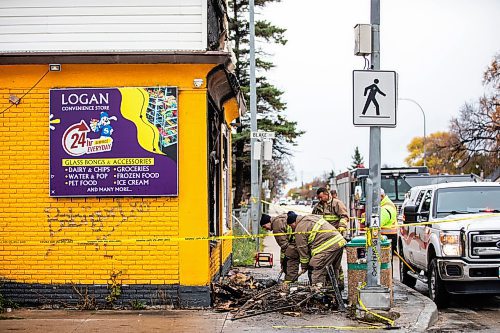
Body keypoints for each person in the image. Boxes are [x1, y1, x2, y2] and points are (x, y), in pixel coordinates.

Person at [287, 212, 346, 288]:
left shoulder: (299, 228)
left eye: (290, 226)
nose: (291, 228)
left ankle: (318, 292)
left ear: (294, 222)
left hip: (328, 246)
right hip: (339, 242)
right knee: (334, 267)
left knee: (316, 265)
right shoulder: (311, 217)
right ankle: (335, 287)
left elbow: (302, 249)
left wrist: (304, 266)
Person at [260, 212, 299, 282]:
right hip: (297, 240)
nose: (266, 229)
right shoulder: (280, 219)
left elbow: (284, 246)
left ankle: (290, 285)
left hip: (296, 243)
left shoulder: (276, 226)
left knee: (291, 264)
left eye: (264, 226)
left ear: (268, 222)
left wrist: (284, 261)